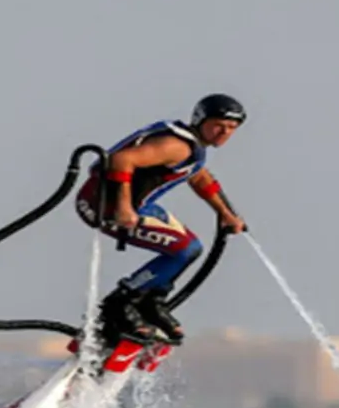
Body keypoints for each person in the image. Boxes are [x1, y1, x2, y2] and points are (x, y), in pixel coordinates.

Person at [74, 93, 248, 342]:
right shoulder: (177, 146)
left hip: (140, 206)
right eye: (218, 125)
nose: (224, 132)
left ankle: (150, 302)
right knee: (185, 249)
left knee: (190, 247)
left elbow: (198, 177)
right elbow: (120, 160)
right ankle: (118, 306)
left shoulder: (192, 149)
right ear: (200, 120)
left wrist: (225, 213)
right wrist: (124, 209)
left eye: (231, 128)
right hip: (103, 208)